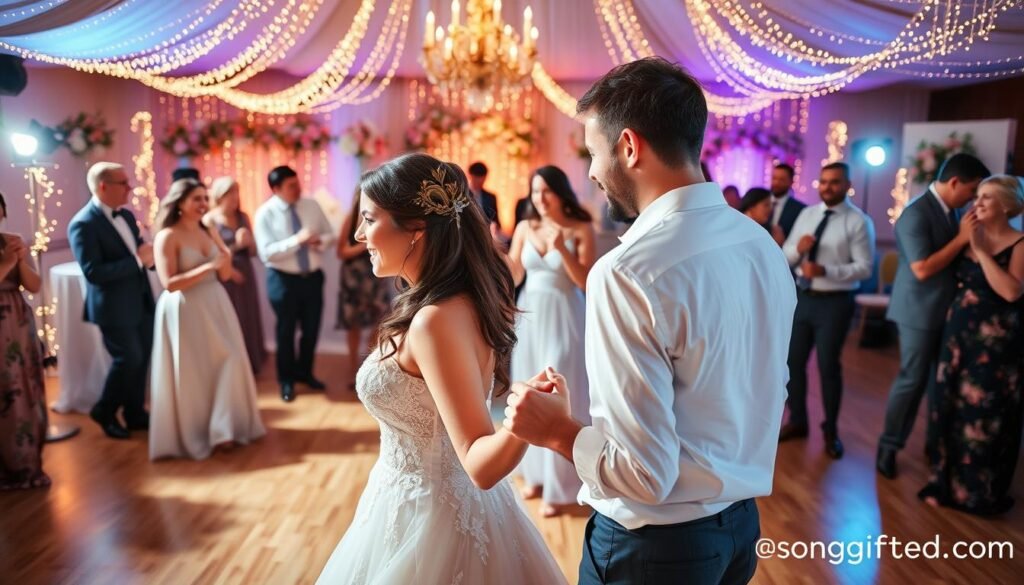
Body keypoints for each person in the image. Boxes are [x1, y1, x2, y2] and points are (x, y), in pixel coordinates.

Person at [504, 57, 796, 585]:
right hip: (739, 527)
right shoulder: (760, 245)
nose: (592, 172)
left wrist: (556, 432)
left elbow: (643, 474)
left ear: (630, 147)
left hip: (656, 547)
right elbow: (771, 388)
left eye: (594, 152)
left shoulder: (628, 271)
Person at [316, 153, 566, 584]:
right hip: (401, 500)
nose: (359, 236)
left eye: (370, 220)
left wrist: (522, 425)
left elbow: (479, 464)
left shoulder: (436, 319)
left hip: (430, 519)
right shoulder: (454, 301)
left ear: (415, 227)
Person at [876, 153, 991, 479]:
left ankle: (934, 445)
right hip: (917, 311)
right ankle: (888, 446)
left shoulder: (951, 211)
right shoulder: (915, 215)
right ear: (954, 182)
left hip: (944, 309)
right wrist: (961, 240)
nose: (972, 198)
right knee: (911, 380)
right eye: (970, 190)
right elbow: (922, 268)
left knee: (936, 382)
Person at [919, 175, 1024, 515]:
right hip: (958, 338)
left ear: (1007, 205)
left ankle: (980, 493)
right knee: (949, 408)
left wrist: (981, 251)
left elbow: (1011, 291)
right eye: (976, 197)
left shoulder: (1020, 243)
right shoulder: (966, 238)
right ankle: (944, 483)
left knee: (987, 414)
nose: (976, 204)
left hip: (997, 346)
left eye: (986, 198)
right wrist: (969, 243)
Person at [149, 179, 266, 460]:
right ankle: (202, 432)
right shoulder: (168, 235)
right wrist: (208, 266)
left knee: (232, 359)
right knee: (195, 372)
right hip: (185, 308)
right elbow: (169, 283)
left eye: (204, 198)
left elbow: (224, 275)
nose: (203, 204)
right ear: (179, 203)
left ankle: (222, 429)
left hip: (215, 303)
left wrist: (224, 255)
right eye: (196, 199)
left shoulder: (208, 229)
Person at [507, 165, 595, 517]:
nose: (540, 199)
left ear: (561, 192)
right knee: (530, 391)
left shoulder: (581, 227)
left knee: (559, 389)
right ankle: (536, 476)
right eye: (534, 192)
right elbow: (514, 271)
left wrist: (564, 249)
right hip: (529, 317)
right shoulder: (526, 227)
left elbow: (587, 282)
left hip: (566, 317)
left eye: (546, 191)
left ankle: (563, 486)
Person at [779, 163, 876, 459]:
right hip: (803, 297)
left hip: (835, 302)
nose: (827, 187)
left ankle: (830, 429)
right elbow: (786, 254)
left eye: (834, 182)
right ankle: (797, 420)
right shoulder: (807, 215)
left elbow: (865, 268)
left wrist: (826, 270)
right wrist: (798, 250)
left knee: (827, 366)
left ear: (847, 184)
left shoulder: (858, 221)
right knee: (792, 363)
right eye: (823, 182)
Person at [68, 162, 156, 439]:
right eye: (124, 183)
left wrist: (151, 260)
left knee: (142, 359)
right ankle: (104, 410)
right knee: (128, 359)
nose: (130, 189)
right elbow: (93, 272)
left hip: (140, 299)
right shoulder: (83, 224)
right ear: (103, 186)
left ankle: (135, 413)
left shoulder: (126, 216)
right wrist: (136, 261)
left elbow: (139, 251)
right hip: (113, 307)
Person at [254, 166, 335, 402]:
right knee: (286, 332)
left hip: (312, 277)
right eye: (291, 185)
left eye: (297, 183)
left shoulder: (311, 205)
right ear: (276, 189)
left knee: (311, 330)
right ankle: (286, 381)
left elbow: (330, 234)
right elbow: (266, 253)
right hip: (283, 280)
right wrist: (296, 241)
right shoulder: (265, 214)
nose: (297, 188)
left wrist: (319, 240)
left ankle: (305, 372)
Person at [0, 193, 50, 490]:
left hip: (17, 324)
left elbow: (34, 286)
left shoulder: (13, 240)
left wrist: (19, 259)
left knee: (24, 389)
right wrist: (7, 262)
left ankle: (26, 462)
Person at [206, 176, 267, 374]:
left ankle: (250, 362)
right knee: (231, 317)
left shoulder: (243, 217)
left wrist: (249, 244)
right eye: (229, 194)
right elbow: (211, 255)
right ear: (219, 196)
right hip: (225, 274)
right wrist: (236, 246)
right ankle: (231, 365)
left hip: (246, 270)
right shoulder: (210, 220)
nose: (234, 198)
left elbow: (254, 252)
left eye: (236, 193)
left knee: (248, 315)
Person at [336, 188, 392, 390]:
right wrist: (363, 245)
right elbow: (340, 252)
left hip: (375, 277)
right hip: (354, 278)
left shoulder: (380, 216)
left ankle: (369, 365)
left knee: (381, 320)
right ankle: (353, 370)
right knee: (353, 325)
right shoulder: (350, 219)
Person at [769, 163, 805, 240]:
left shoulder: (800, 209)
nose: (776, 183)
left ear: (791, 182)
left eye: (781, 180)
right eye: (774, 178)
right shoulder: (758, 201)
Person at [468, 161, 501, 236]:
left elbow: (496, 220)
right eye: (477, 178)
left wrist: (494, 225)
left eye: (482, 178)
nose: (480, 181)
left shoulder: (491, 197)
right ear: (470, 175)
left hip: (486, 235)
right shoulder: (462, 194)